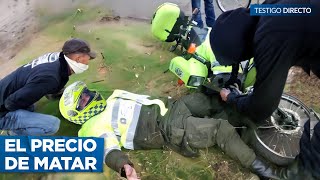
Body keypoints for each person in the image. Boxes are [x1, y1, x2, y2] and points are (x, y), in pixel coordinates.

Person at [59, 81, 286, 179]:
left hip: (173, 107)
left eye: (87, 93)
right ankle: (266, 172)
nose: (90, 97)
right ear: (77, 113)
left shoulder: (109, 99)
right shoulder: (93, 127)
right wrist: (125, 167)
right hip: (168, 128)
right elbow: (109, 151)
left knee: (216, 99)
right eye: (84, 100)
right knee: (220, 129)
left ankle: (260, 123)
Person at [210, 0, 320, 179]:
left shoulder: (270, 34)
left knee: (315, 155)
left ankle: (304, 173)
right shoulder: (265, 10)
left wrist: (232, 98)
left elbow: (262, 107)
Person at [0, 38, 96, 136]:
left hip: (5, 90)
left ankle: (20, 120)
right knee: (52, 125)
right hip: (3, 110)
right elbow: (10, 103)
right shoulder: (50, 78)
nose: (88, 62)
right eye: (88, 59)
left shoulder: (58, 58)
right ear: (78, 59)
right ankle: (13, 137)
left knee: (30, 107)